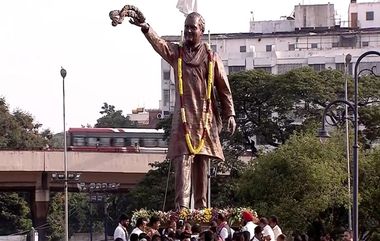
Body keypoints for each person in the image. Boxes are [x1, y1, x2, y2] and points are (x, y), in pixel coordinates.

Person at [110, 5, 236, 209]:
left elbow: (224, 88)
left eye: (192, 28)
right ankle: (182, 209)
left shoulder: (212, 57)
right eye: (186, 27)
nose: (188, 31)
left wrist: (230, 113)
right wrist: (145, 27)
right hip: (184, 119)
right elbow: (159, 44)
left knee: (202, 164)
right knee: (182, 162)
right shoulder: (177, 54)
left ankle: (202, 209)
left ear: (201, 31)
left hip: (204, 119)